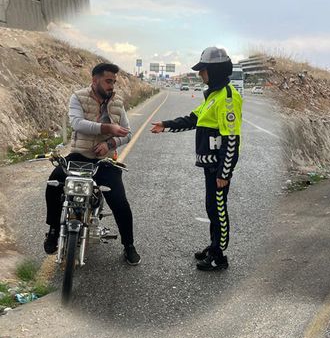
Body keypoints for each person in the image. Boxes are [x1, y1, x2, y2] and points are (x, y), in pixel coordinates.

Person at [151, 46, 242, 271]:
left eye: (204, 70)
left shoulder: (228, 98)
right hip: (210, 166)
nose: (200, 74)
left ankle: (219, 256)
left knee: (218, 209)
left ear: (216, 70)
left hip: (217, 169)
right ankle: (214, 246)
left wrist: (224, 173)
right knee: (212, 207)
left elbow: (231, 139)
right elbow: (193, 119)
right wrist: (166, 125)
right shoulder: (213, 96)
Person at [44, 63, 139, 265]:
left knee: (120, 202)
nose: (112, 85)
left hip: (104, 161)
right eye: (108, 81)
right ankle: (53, 230)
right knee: (53, 184)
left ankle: (129, 246)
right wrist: (107, 127)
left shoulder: (118, 103)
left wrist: (110, 143)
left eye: (114, 81)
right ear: (95, 80)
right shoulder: (78, 97)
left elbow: (127, 133)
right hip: (79, 157)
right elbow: (77, 123)